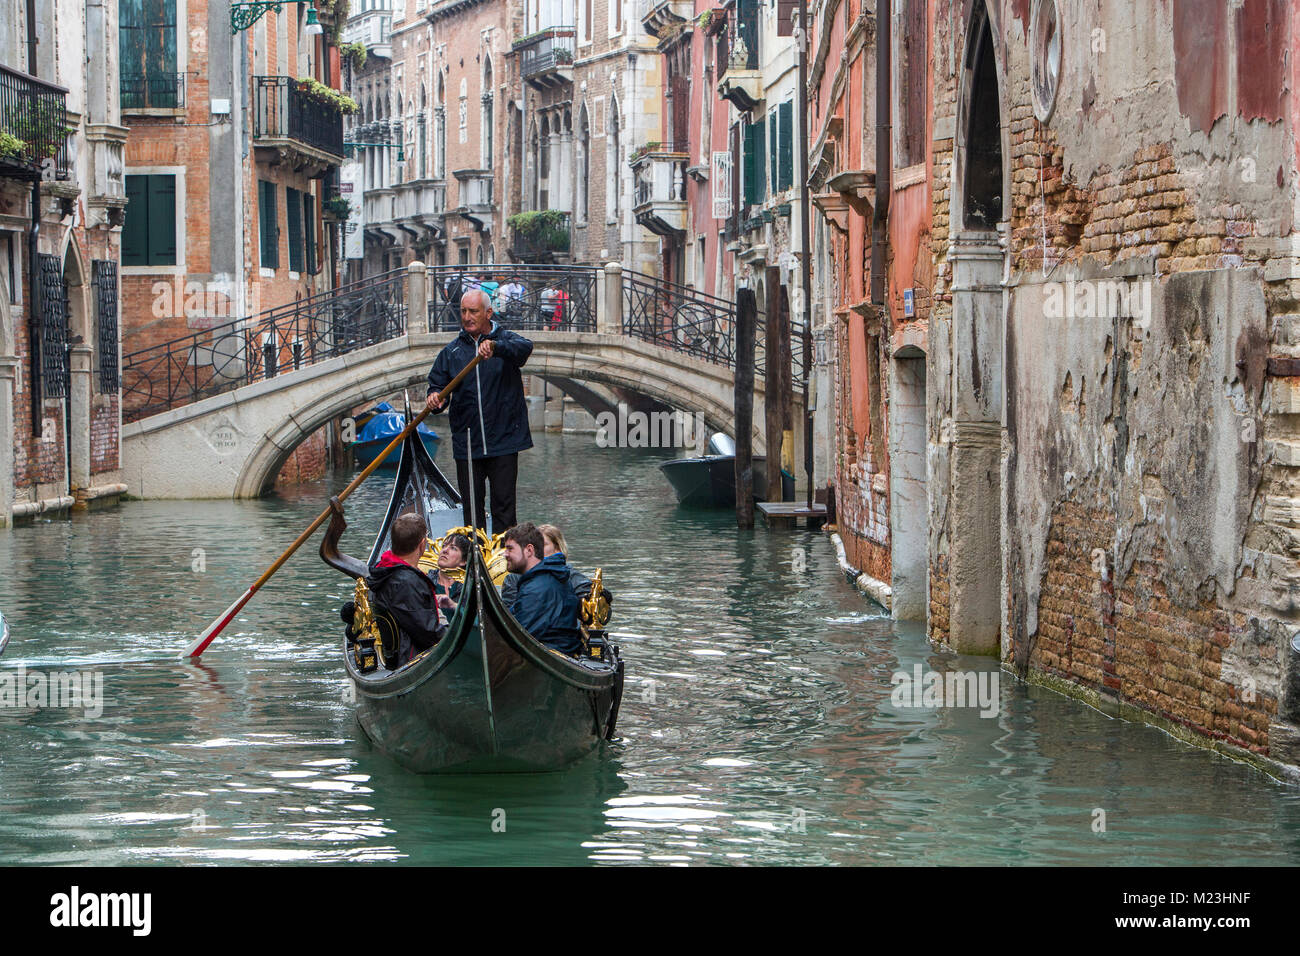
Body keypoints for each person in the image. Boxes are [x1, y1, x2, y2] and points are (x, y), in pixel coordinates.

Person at [425, 288, 533, 533]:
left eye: (473, 311)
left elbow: (525, 348)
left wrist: (496, 347)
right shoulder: (451, 352)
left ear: (488, 313)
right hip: (468, 443)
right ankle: (476, 555)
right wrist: (435, 398)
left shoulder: (507, 340)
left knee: (504, 509)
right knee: (472, 512)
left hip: (504, 440)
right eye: (463, 311)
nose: (467, 317)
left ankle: (504, 559)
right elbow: (437, 386)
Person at [361, 512, 445, 666]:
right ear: (422, 544)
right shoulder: (406, 583)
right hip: (412, 659)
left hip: (395, 654)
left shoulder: (383, 569)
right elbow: (428, 634)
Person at [501, 521, 582, 656]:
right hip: (559, 650)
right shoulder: (542, 578)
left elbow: (520, 637)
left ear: (529, 550)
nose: (505, 554)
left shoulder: (537, 588)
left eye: (510, 549)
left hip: (553, 654)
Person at [432, 532, 471, 612]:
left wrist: (454, 606)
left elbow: (481, 620)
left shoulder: (470, 587)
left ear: (463, 561)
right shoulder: (426, 582)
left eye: (453, 548)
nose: (445, 550)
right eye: (444, 546)